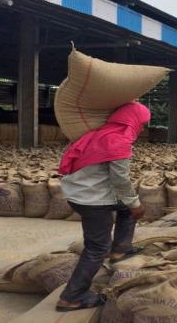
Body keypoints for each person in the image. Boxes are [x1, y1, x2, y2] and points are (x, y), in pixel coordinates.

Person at [56, 102, 148, 312]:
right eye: (141, 122)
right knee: (96, 248)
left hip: (78, 193)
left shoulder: (99, 134)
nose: (142, 127)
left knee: (125, 208)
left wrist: (130, 204)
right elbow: (120, 181)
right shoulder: (118, 141)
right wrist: (136, 205)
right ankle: (72, 297)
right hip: (92, 200)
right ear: (131, 120)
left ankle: (121, 249)